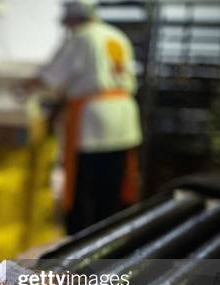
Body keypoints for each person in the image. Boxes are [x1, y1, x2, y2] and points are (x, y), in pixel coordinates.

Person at [39, 0, 143, 234]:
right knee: (112, 186)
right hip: (124, 117)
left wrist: (24, 85)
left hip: (94, 121)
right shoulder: (117, 35)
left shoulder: (82, 37)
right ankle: (110, 238)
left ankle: (81, 243)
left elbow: (51, 77)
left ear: (74, 19)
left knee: (84, 188)